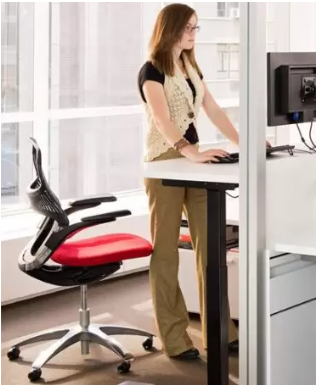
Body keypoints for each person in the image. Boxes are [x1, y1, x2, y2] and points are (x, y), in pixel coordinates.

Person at [139, 3, 239, 360]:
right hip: (164, 164)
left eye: (197, 28)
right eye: (189, 28)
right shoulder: (151, 70)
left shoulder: (191, 66)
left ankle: (220, 331)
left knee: (210, 249)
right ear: (171, 29)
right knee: (164, 253)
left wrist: (243, 142)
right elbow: (162, 119)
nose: (194, 34)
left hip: (193, 162)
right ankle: (174, 337)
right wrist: (188, 150)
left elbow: (212, 107)